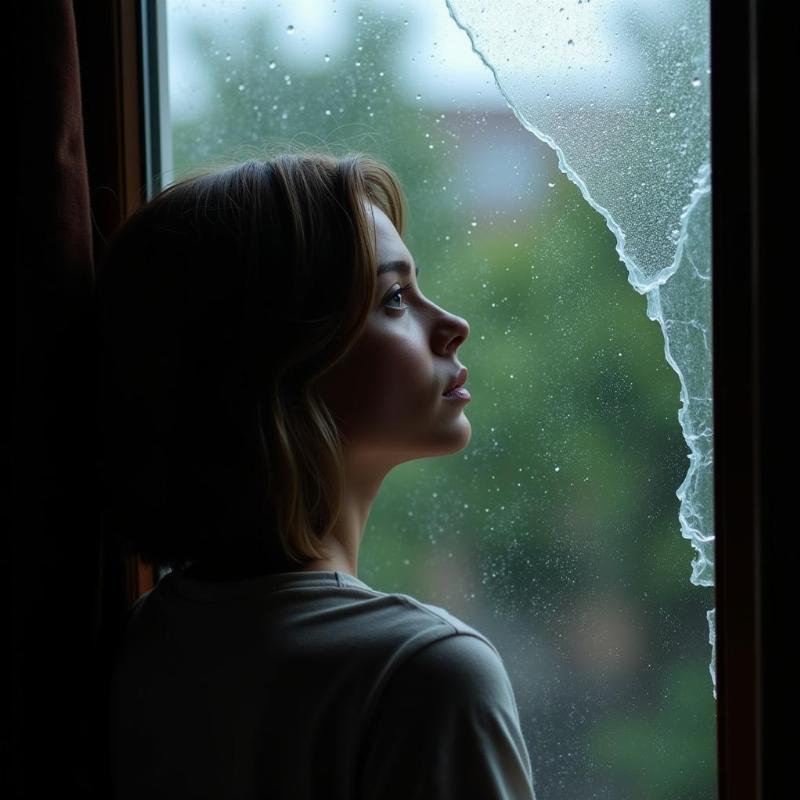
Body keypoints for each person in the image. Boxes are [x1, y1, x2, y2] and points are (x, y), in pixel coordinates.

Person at [96, 150, 537, 799]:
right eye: (393, 299)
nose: (451, 326)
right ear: (276, 365)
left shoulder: (143, 643)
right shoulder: (422, 676)